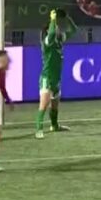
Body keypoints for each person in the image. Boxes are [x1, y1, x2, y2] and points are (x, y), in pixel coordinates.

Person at [35, 8, 77, 139]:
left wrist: (67, 17)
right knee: (43, 104)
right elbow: (52, 33)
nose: (58, 28)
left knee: (55, 105)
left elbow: (74, 30)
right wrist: (52, 19)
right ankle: (38, 129)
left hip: (56, 79)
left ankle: (54, 125)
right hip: (47, 78)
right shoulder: (47, 41)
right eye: (56, 27)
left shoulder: (59, 40)